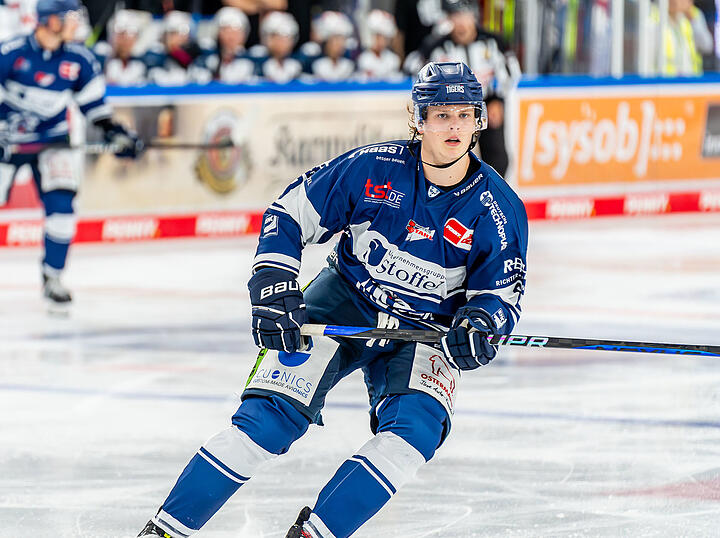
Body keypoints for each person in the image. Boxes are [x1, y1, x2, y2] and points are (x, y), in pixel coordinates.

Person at [137, 60, 528, 538]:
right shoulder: (373, 167)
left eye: (464, 115)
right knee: (267, 418)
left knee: (413, 434)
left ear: (478, 120)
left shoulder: (500, 208)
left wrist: (481, 326)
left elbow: (499, 295)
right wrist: (274, 283)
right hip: (345, 299)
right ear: (419, 119)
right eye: (441, 114)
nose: (454, 127)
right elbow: (289, 212)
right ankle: (167, 530)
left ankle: (316, 533)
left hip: (426, 331)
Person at [0, 0, 142, 312]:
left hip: (52, 142)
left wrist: (113, 131)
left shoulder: (78, 57)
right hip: (8, 144)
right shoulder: (10, 51)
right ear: (50, 21)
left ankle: (53, 277)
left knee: (62, 208)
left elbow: (93, 105)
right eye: (70, 17)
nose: (77, 23)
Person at [403, 0, 520, 178]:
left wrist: (497, 99)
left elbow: (512, 72)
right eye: (454, 17)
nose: (461, 23)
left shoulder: (492, 42)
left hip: (487, 106)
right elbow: (411, 69)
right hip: (450, 110)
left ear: (474, 17)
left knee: (497, 158)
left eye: (464, 16)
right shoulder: (437, 46)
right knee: (451, 158)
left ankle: (493, 196)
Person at [192, 6, 256, 84]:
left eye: (235, 31)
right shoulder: (206, 61)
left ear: (244, 34)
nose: (230, 37)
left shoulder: (255, 61)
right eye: (225, 31)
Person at [251, 10, 301, 83]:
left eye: (287, 37)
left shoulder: (299, 65)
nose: (283, 42)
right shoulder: (255, 64)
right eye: (277, 37)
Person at [355, 9, 402, 81]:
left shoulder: (393, 60)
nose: (380, 41)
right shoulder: (363, 59)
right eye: (377, 36)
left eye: (383, 37)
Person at [309, 10, 354, 81]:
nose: (339, 44)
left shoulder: (349, 66)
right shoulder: (316, 66)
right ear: (326, 42)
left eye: (342, 39)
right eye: (335, 39)